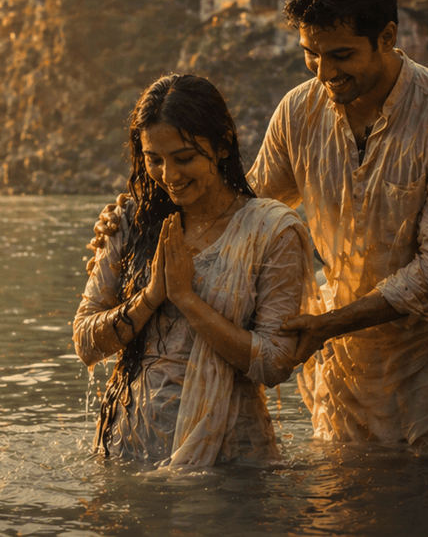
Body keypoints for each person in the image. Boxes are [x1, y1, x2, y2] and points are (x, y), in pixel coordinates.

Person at [92, 0, 428, 459]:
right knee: (343, 494)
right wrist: (137, 222)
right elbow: (241, 206)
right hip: (347, 362)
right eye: (311, 54)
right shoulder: (299, 111)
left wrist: (329, 323)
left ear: (387, 37)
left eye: (341, 55)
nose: (325, 72)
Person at [73, 74, 315, 467]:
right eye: (154, 159)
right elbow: (85, 343)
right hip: (125, 451)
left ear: (222, 146)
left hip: (228, 461)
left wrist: (186, 299)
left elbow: (274, 363)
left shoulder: (271, 231)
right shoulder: (130, 221)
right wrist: (151, 296)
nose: (169, 175)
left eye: (184, 158)